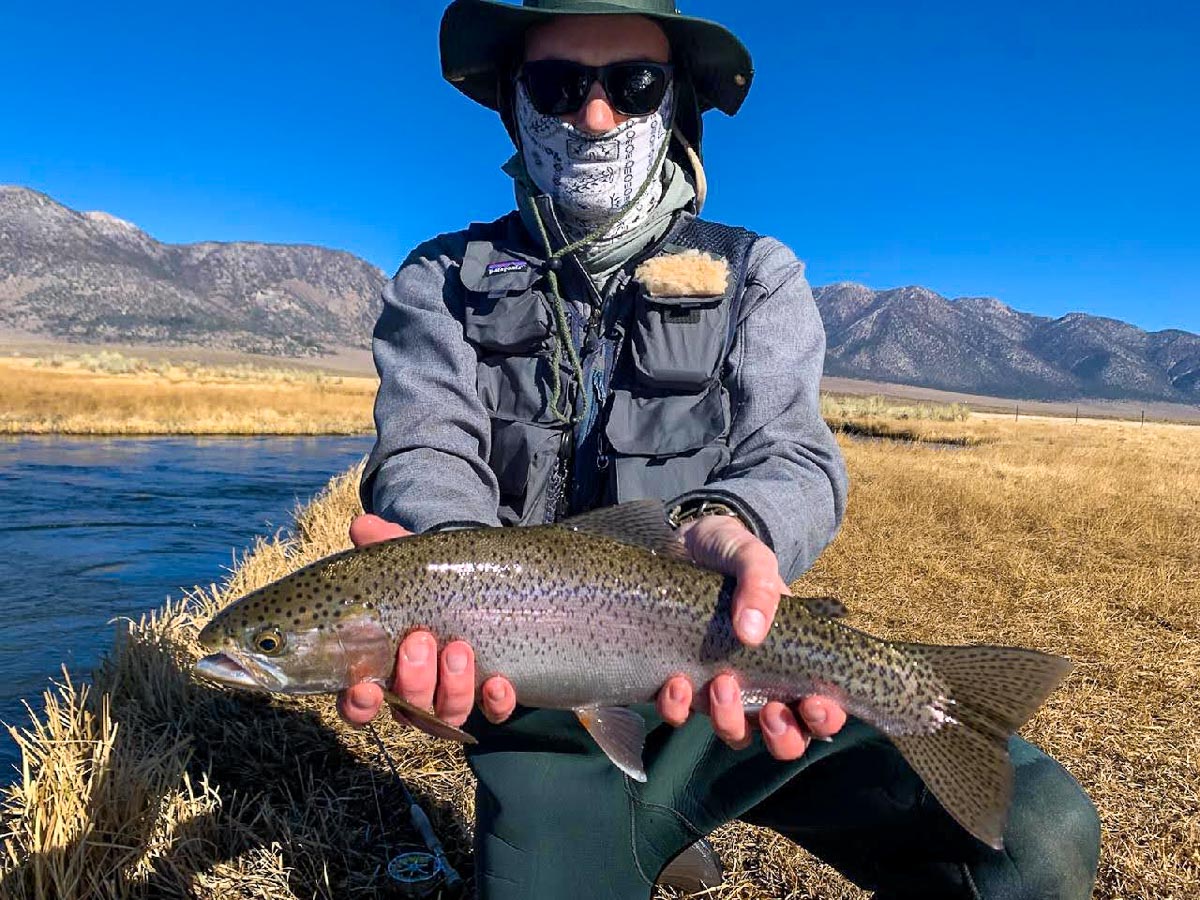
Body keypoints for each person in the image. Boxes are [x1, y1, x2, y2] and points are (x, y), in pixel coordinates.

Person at [338, 2, 1101, 898]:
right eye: (558, 84)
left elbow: (798, 460)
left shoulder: (757, 275)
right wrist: (444, 605)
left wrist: (731, 524)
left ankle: (684, 817)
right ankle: (642, 836)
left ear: (677, 104)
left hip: (744, 676)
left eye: (633, 84)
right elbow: (426, 451)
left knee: (1041, 834)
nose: (594, 115)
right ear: (513, 102)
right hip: (542, 702)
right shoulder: (439, 282)